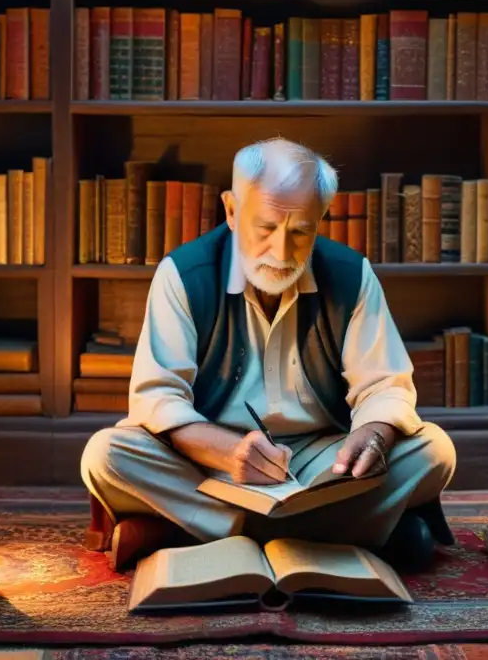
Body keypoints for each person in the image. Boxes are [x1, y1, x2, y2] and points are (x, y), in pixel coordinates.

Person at [80, 138, 457, 573]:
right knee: (106, 454)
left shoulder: (352, 276)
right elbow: (158, 398)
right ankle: (352, 534)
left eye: (300, 231)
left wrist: (373, 435)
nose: (281, 252)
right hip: (212, 462)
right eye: (265, 228)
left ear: (321, 219)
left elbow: (385, 386)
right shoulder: (184, 275)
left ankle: (188, 533)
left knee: (434, 451)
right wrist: (227, 453)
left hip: (323, 465)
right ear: (232, 211)